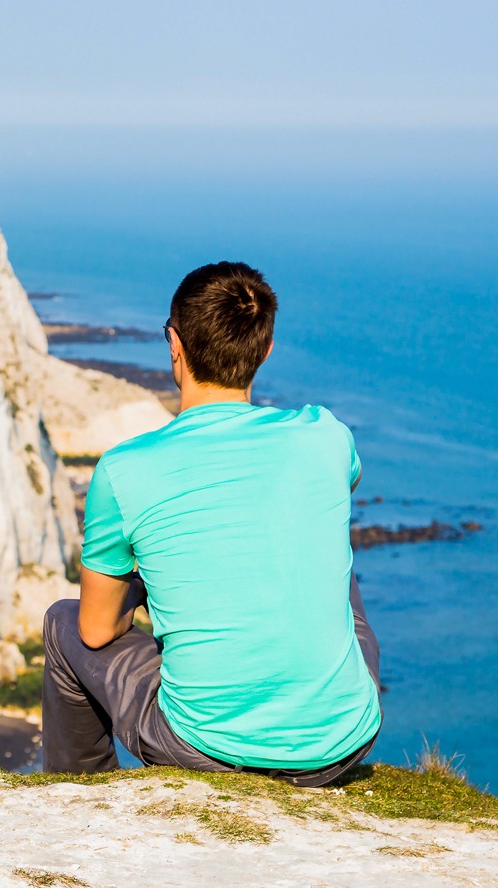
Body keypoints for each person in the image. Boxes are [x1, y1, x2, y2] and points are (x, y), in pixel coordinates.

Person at [41, 261, 381, 786]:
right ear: (265, 350)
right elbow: (329, 497)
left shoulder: (125, 469)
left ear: (174, 344)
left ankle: (81, 797)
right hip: (342, 744)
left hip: (206, 750)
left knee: (64, 622)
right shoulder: (325, 435)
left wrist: (148, 582)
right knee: (332, 556)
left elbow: (96, 628)